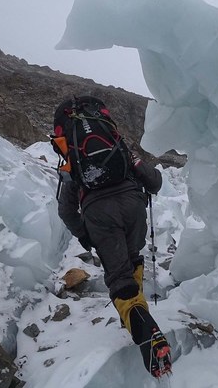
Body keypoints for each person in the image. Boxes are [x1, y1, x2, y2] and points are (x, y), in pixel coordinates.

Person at [53, 96, 173, 377]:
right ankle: (133, 314)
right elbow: (154, 182)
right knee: (132, 260)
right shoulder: (119, 148)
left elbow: (66, 209)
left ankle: (147, 335)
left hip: (99, 213)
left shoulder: (73, 159)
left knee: (119, 278)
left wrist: (86, 235)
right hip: (133, 207)